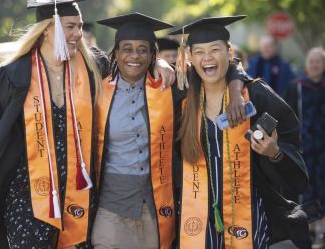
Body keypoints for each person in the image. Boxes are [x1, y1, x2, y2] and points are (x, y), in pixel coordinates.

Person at [0, 0, 174, 249]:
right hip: (29, 194)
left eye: (79, 27)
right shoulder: (15, 75)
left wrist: (159, 61)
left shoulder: (91, 66)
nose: (79, 34)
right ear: (47, 29)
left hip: (79, 194)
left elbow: (131, 63)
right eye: (70, 26)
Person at [92, 12, 248, 249]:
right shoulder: (96, 87)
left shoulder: (169, 86)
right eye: (127, 48)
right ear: (115, 53)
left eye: (143, 49)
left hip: (156, 212)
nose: (135, 56)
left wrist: (236, 91)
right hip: (109, 211)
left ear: (152, 54)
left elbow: (225, 65)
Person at [172, 15, 314, 248]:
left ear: (228, 52)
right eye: (198, 52)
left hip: (248, 209)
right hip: (194, 210)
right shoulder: (182, 95)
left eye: (215, 49)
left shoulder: (257, 95)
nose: (207, 58)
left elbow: (290, 141)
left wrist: (274, 152)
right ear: (189, 56)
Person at [284, 47, 325, 247]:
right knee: (305, 188)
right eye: (311, 61)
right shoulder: (296, 87)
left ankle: (321, 231)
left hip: (323, 149)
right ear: (306, 64)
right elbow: (286, 117)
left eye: (319, 61)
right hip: (304, 148)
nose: (315, 64)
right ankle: (306, 231)